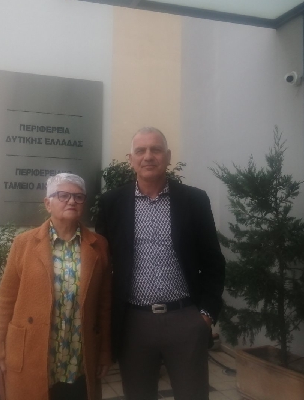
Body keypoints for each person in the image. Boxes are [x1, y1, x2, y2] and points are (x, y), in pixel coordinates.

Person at [95, 127, 226, 400]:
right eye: (140, 151)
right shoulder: (111, 203)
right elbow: (102, 265)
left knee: (193, 395)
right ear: (130, 159)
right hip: (134, 323)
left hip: (185, 318)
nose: (148, 156)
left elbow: (213, 261)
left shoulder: (194, 200)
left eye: (155, 150)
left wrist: (206, 314)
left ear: (167, 156)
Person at [0, 173, 112, 400]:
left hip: (78, 355)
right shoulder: (23, 244)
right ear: (48, 203)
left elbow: (104, 305)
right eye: (63, 195)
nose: (71, 201)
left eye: (78, 197)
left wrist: (104, 352)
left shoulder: (98, 245)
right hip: (34, 351)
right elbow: (5, 299)